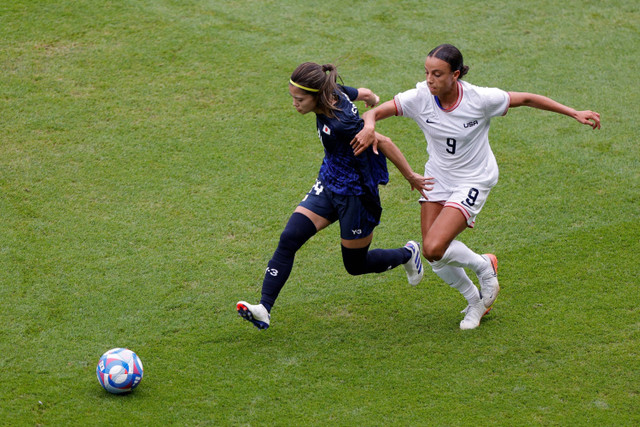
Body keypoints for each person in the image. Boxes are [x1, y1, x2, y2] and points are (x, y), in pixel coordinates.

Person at [351, 44, 601, 330]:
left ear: (455, 75)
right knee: (435, 256)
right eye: (426, 72)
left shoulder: (479, 99)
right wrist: (369, 124)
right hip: (437, 177)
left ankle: (484, 266)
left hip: (473, 178)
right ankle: (476, 301)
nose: (429, 79)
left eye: (437, 74)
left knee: (433, 246)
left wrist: (574, 112)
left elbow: (529, 99)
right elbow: (375, 113)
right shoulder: (420, 97)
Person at [237, 62, 433, 330]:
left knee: (355, 265)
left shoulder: (343, 124)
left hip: (356, 194)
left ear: (317, 96)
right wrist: (370, 97)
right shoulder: (332, 91)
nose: (294, 103)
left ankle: (407, 254)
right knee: (289, 238)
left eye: (299, 99)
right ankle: (264, 308)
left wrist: (411, 176)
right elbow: (358, 92)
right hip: (329, 183)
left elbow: (383, 142)